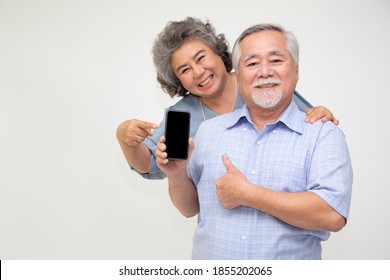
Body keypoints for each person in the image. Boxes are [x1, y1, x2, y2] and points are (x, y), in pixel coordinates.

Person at [155, 23, 353, 259]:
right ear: (238, 75)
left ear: (296, 70)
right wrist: (177, 175)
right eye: (252, 63)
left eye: (276, 60)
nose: (265, 71)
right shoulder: (207, 131)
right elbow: (189, 209)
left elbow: (332, 215)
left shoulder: (323, 134)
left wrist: (249, 194)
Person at [116, 17, 339, 180]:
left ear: (219, 53)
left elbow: (308, 121)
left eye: (201, 58)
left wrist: (321, 114)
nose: (198, 72)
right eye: (184, 70)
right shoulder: (181, 116)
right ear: (177, 80)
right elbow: (149, 164)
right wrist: (124, 137)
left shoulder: (257, 83)